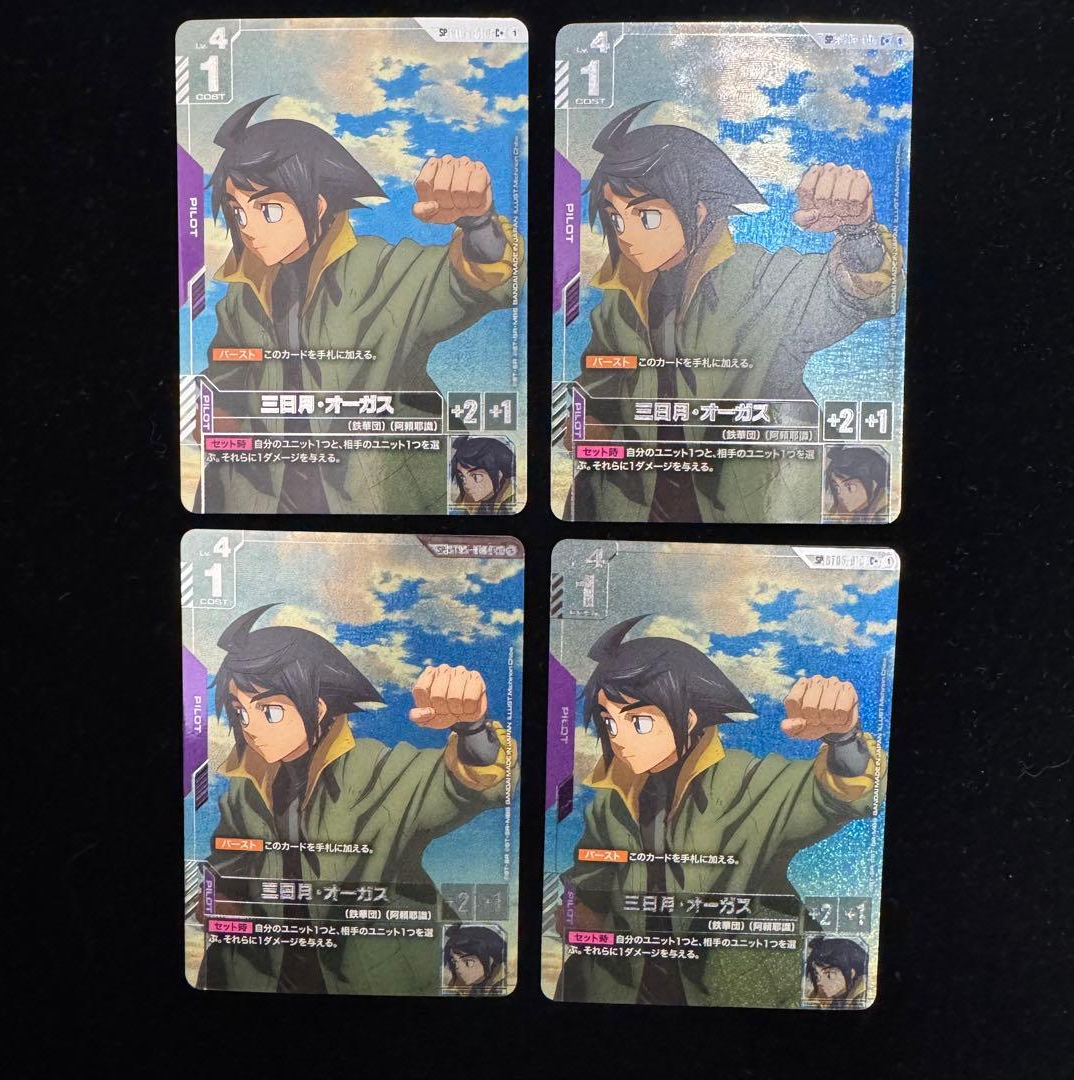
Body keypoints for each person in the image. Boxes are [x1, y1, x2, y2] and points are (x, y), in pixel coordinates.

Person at [569, 102, 903, 523]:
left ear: (699, 211)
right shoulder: (620, 300)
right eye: (615, 219)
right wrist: (587, 425)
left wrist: (858, 232)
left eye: (646, 216)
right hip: (633, 509)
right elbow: (597, 386)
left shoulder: (760, 279)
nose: (627, 236)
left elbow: (851, 294)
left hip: (746, 514)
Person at [197, 96, 524, 514]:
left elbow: (476, 282)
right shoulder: (244, 294)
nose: (249, 229)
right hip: (268, 499)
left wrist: (478, 224)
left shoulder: (381, 270)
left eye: (268, 209)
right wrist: (216, 417)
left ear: (318, 204)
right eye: (237, 212)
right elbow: (225, 377)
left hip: (375, 499)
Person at [554, 616, 886, 1007]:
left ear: (688, 718)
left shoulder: (749, 781)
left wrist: (844, 738)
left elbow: (835, 795)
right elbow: (590, 876)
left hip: (733, 992)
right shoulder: (613, 799)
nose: (619, 739)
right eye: (609, 722)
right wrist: (580, 913)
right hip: (629, 988)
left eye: (639, 721)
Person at [199, 605, 516, 995]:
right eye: (240, 712)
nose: (251, 728)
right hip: (267, 977)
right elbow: (226, 866)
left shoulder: (377, 770)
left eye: (270, 710)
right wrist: (219, 901)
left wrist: (473, 728)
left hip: (374, 979)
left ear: (318, 707)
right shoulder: (247, 788)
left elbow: (465, 784)